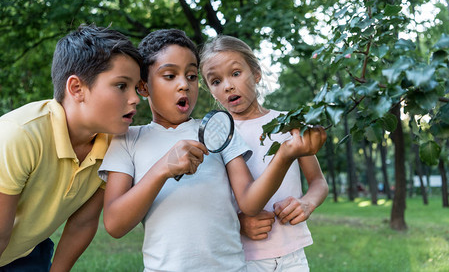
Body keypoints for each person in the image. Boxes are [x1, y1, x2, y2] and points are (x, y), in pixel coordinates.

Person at [99, 29, 326, 272]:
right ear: (143, 87)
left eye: (191, 76)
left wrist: (284, 155)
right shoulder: (127, 140)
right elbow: (114, 225)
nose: (184, 85)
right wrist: (162, 169)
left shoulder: (219, 130)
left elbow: (250, 203)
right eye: (169, 75)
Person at [0, 24, 143, 271]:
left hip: (25, 253)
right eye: (122, 86)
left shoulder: (113, 146)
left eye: (136, 87)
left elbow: (82, 223)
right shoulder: (21, 135)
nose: (135, 98)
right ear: (77, 88)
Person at [200, 35, 329, 272]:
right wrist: (237, 223)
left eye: (236, 73)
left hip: (294, 257)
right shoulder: (215, 137)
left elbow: (318, 181)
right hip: (241, 258)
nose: (227, 85)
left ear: (256, 73)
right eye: (215, 81)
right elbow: (207, 205)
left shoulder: (288, 123)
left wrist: (307, 203)